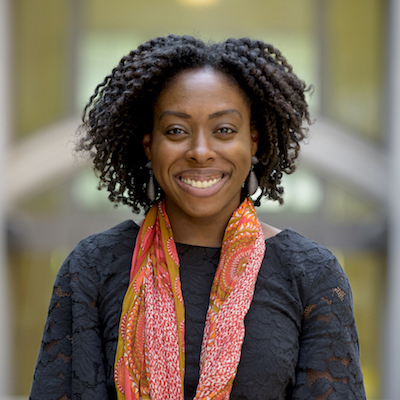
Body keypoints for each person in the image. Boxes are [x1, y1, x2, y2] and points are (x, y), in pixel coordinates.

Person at [30, 35, 366, 400]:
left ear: (253, 141)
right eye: (176, 131)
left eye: (224, 130)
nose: (200, 151)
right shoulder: (93, 267)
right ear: (150, 145)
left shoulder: (310, 274)